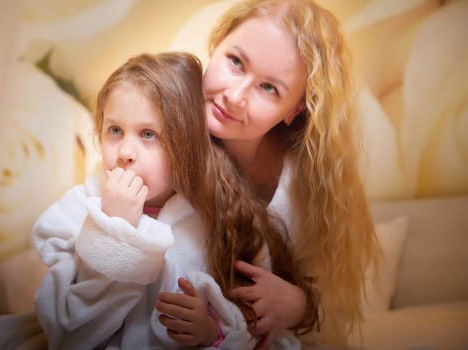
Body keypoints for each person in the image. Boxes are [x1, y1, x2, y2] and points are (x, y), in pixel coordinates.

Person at [0, 51, 318, 350]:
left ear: (188, 145)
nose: (125, 153)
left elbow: (244, 322)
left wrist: (211, 330)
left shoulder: (216, 218)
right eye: (115, 130)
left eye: (149, 134)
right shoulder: (80, 208)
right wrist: (113, 229)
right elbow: (70, 332)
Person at [160, 0, 382, 347]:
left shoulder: (305, 185)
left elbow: (334, 308)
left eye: (269, 88)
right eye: (235, 62)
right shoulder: (157, 132)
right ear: (217, 42)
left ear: (295, 108)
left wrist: (299, 304)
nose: (235, 97)